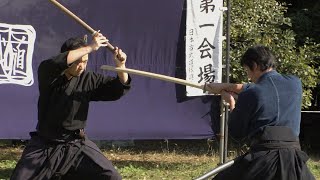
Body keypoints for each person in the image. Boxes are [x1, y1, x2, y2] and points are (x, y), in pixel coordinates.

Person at [11, 32, 131, 180]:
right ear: (68, 59)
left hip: (76, 145)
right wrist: (90, 47)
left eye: (85, 62)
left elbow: (118, 88)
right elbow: (56, 63)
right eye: (78, 61)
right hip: (44, 145)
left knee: (111, 177)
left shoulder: (88, 79)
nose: (82, 66)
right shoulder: (48, 74)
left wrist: (121, 65)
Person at [205, 45, 315, 180]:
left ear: (255, 65)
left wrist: (231, 103)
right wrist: (227, 86)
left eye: (247, 71)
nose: (249, 77)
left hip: (264, 160)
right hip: (293, 159)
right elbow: (261, 88)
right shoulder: (295, 83)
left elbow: (237, 133)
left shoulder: (251, 93)